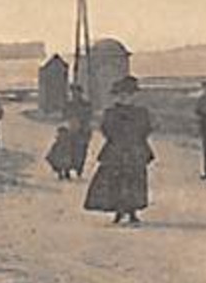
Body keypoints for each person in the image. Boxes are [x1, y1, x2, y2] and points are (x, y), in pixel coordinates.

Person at [83, 75, 155, 224]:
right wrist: (119, 138)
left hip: (135, 150)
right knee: (115, 181)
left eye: (128, 95)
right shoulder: (111, 112)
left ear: (134, 96)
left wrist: (135, 139)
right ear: (116, 96)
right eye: (121, 95)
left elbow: (146, 129)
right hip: (116, 150)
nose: (125, 98)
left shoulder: (141, 112)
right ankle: (118, 211)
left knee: (135, 181)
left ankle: (133, 211)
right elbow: (106, 129)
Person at [62, 83, 93, 178]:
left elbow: (88, 117)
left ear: (81, 93)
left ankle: (79, 169)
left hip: (83, 130)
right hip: (71, 130)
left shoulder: (86, 104)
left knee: (81, 150)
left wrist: (83, 125)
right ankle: (67, 169)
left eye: (77, 92)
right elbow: (64, 116)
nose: (75, 95)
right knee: (68, 150)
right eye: (73, 93)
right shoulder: (68, 104)